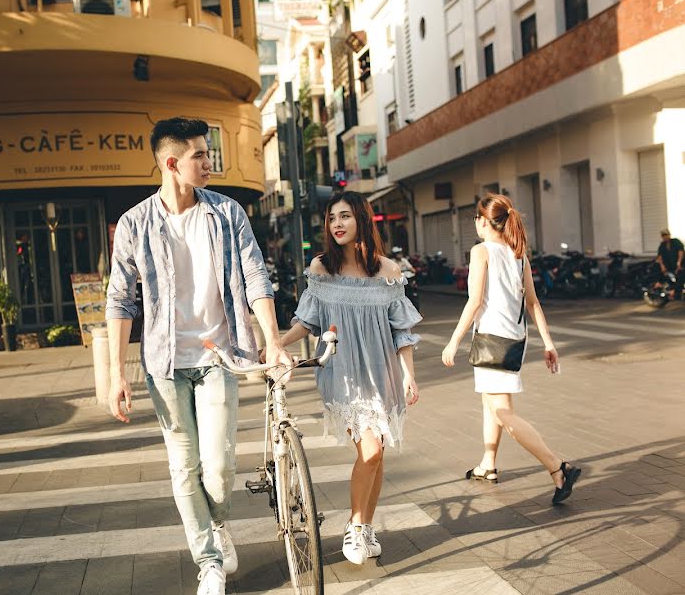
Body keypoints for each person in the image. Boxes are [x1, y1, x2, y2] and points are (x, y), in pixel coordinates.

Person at [105, 117, 293, 595]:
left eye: (208, 154)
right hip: (165, 364)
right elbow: (120, 301)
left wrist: (270, 340)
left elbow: (255, 278)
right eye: (200, 156)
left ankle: (219, 522)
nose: (209, 163)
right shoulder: (135, 223)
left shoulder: (227, 213)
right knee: (183, 466)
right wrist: (115, 375)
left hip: (218, 357)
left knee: (219, 465)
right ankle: (208, 560)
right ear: (172, 163)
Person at [276, 191, 421, 565]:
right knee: (370, 449)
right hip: (344, 373)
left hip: (383, 372)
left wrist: (409, 376)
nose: (336, 224)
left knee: (377, 452)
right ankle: (356, 527)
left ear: (361, 219)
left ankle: (366, 528)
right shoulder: (323, 268)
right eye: (331, 218)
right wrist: (276, 343)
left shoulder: (388, 271)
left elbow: (401, 331)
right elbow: (307, 321)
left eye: (344, 216)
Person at [441, 193, 581, 506]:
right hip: (513, 340)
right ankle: (488, 464)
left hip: (492, 340)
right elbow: (532, 302)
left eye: (475, 219)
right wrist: (548, 342)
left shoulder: (481, 252)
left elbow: (474, 301)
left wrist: (453, 340)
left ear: (481, 221)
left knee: (503, 411)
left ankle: (558, 468)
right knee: (492, 404)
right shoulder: (518, 255)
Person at [656, 229, 684, 295]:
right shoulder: (662, 245)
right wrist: (662, 266)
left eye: (666, 235)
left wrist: (679, 262)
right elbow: (659, 256)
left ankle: (676, 290)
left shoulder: (676, 242)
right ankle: (659, 284)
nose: (665, 237)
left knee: (680, 274)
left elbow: (681, 251)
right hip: (668, 265)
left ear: (669, 235)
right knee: (661, 272)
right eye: (663, 236)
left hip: (678, 264)